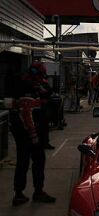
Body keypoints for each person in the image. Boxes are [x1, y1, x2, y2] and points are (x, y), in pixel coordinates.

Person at [8, 72, 56, 206]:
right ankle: (36, 192)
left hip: (24, 134)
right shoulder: (28, 90)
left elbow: (47, 94)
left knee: (23, 162)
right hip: (29, 135)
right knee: (37, 161)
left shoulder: (28, 88)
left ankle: (20, 193)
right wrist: (34, 135)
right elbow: (27, 115)